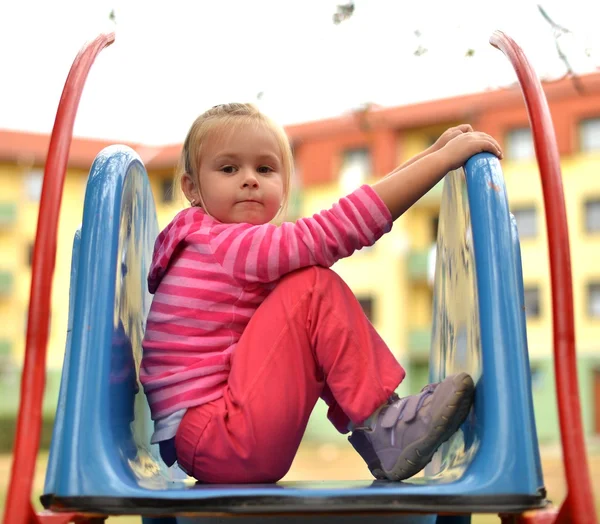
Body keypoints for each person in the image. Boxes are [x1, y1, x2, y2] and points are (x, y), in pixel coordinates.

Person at [140, 103, 502, 484]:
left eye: (265, 169)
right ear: (192, 188)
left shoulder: (210, 243)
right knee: (311, 287)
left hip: (214, 440)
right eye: (228, 168)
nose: (249, 179)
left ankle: (384, 429)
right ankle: (385, 426)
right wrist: (440, 162)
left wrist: (431, 155)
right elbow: (335, 230)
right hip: (219, 434)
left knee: (304, 296)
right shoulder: (222, 244)